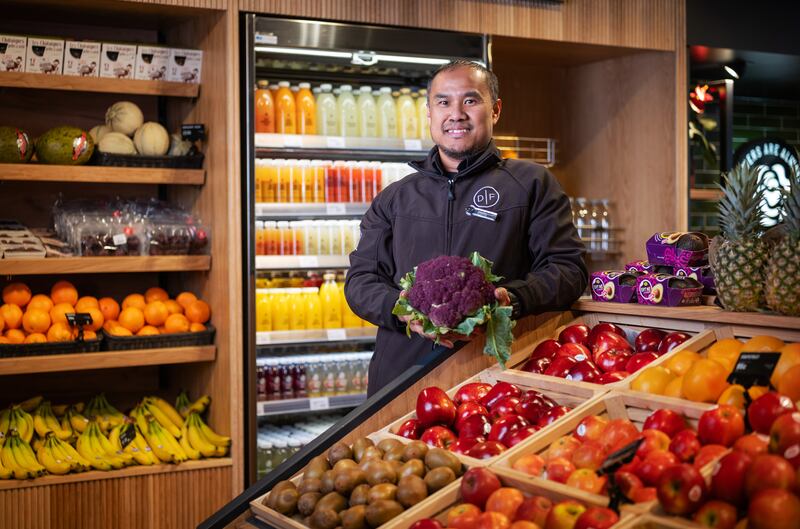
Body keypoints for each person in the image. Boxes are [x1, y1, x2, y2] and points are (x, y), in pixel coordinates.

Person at [344, 60, 587, 396]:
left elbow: (569, 271)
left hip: (494, 381)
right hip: (399, 379)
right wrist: (400, 310)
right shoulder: (395, 197)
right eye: (443, 102)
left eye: (470, 101)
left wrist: (512, 298)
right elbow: (360, 281)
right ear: (429, 112)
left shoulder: (531, 184)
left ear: (495, 110)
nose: (456, 114)